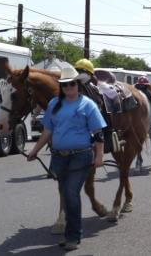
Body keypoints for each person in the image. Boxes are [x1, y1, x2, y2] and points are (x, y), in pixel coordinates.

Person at [27, 66, 107, 251]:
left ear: (77, 85)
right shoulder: (54, 104)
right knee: (66, 193)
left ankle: (73, 236)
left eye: (72, 84)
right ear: (61, 87)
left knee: (71, 193)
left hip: (81, 155)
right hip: (59, 157)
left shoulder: (88, 105)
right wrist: (35, 150)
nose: (69, 88)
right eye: (64, 85)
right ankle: (70, 232)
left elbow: (98, 132)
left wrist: (100, 155)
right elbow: (47, 131)